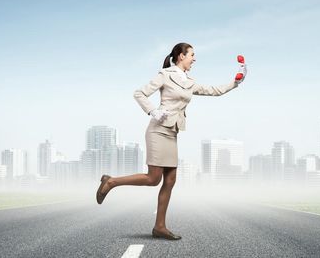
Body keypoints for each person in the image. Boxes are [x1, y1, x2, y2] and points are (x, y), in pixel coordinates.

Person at [95, 42, 246, 240]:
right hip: (157, 131)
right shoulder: (165, 74)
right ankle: (111, 182)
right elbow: (139, 93)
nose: (194, 58)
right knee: (153, 178)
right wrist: (153, 110)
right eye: (192, 54)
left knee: (170, 180)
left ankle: (160, 227)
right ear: (181, 56)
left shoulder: (190, 82)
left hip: (172, 133)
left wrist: (236, 82)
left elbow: (214, 90)